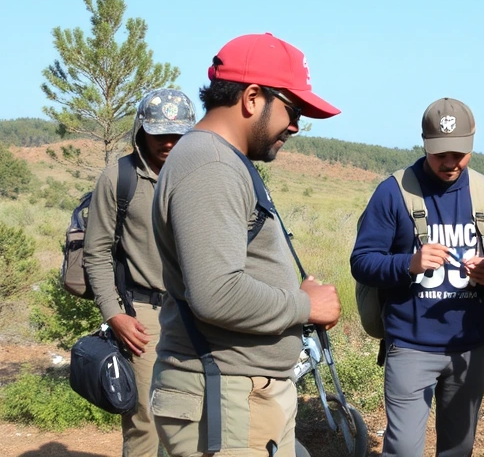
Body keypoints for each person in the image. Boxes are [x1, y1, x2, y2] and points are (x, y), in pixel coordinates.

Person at [150, 33, 341, 457]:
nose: (294, 126)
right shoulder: (211, 165)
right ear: (253, 97)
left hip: (235, 396)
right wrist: (305, 306)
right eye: (292, 110)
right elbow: (217, 292)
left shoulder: (216, 159)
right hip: (227, 398)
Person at [351, 97, 484, 457]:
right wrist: (409, 264)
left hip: (469, 348)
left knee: (459, 449)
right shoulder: (393, 192)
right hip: (410, 345)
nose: (451, 163)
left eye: (460, 153)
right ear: (425, 143)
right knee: (404, 449)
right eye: (441, 154)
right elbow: (362, 262)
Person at [82, 88, 195, 457]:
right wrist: (114, 315)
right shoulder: (119, 178)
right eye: (159, 132)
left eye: (177, 134)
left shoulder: (201, 176)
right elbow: (96, 253)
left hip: (200, 310)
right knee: (144, 417)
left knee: (197, 413)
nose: (168, 142)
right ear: (141, 130)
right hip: (144, 315)